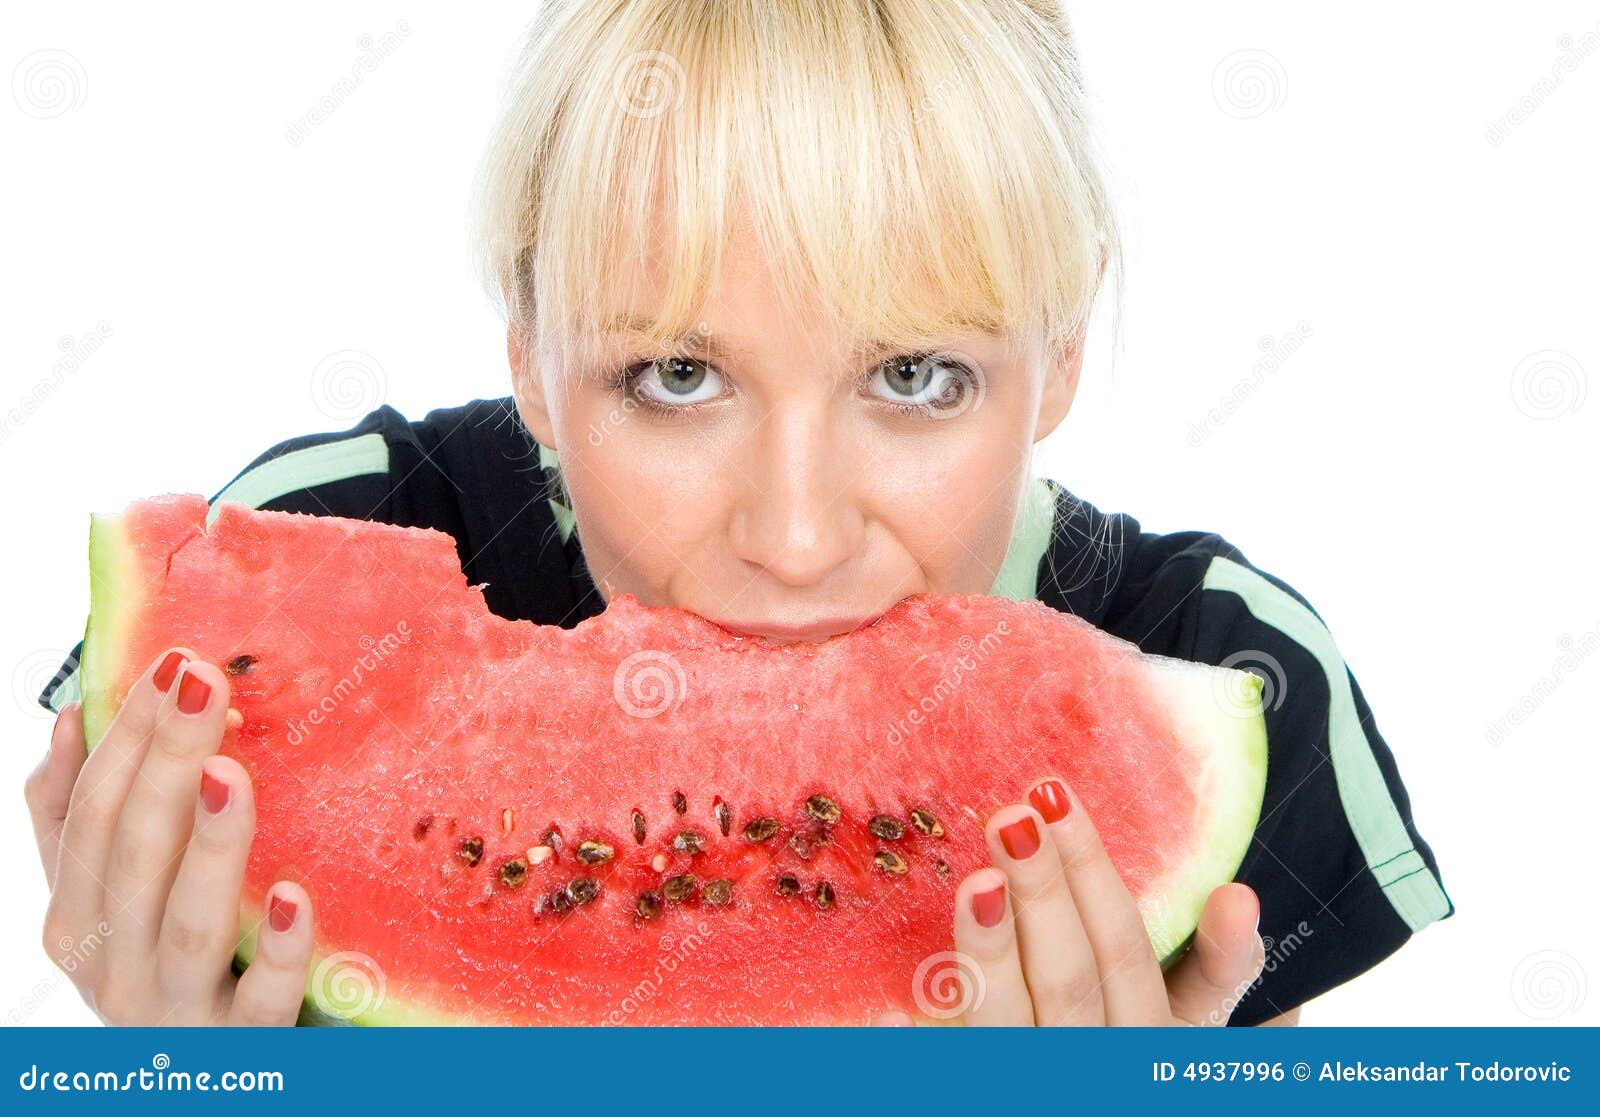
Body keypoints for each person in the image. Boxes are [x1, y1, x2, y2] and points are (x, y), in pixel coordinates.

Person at [26, 0, 1449, 1026]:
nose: (795, 535)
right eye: (678, 374)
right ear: (525, 338)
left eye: (914, 374)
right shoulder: (342, 527)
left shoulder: (1221, 668)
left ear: (1063, 345)